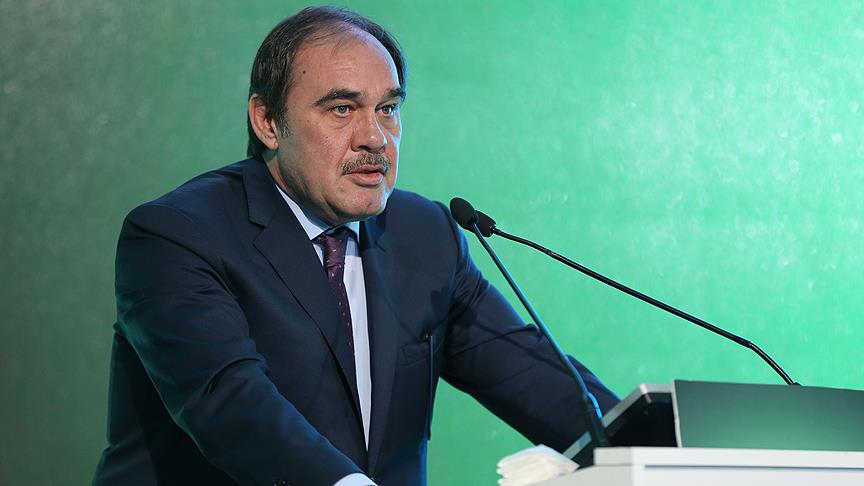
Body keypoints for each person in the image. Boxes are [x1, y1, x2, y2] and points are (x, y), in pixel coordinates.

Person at [92, 6, 618, 486]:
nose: (374, 137)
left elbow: (533, 377)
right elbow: (232, 404)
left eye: (387, 108)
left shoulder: (426, 234)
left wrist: (648, 444)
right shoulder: (177, 235)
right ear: (268, 122)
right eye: (342, 109)